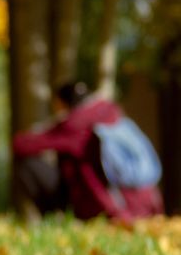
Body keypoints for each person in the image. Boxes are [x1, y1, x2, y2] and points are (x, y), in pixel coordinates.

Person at [12, 82, 164, 222]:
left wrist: (48, 126)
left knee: (26, 164)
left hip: (106, 210)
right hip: (143, 205)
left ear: (62, 104)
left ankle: (54, 220)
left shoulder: (74, 125)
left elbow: (20, 145)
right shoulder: (112, 114)